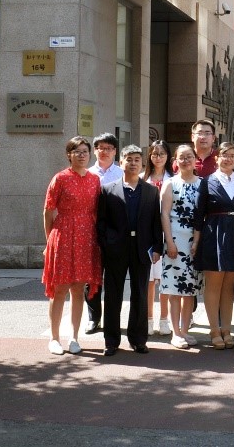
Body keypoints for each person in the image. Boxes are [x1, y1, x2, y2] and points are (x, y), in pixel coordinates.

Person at [96, 144, 162, 356]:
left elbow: (156, 222)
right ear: (121, 162)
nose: (133, 163)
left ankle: (138, 339)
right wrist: (106, 244)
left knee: (140, 294)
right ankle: (111, 341)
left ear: (142, 163)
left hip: (142, 248)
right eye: (129, 159)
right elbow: (101, 222)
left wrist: (157, 248)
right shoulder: (108, 189)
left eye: (137, 160)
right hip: (115, 249)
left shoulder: (151, 191)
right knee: (113, 294)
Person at [42, 136, 103, 356]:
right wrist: (50, 241)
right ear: (69, 154)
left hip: (87, 236)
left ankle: (74, 337)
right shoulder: (60, 178)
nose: (82, 155)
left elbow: (96, 211)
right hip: (63, 234)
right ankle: (54, 338)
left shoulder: (95, 180)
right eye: (77, 151)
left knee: (78, 289)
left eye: (85, 151)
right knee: (60, 288)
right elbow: (48, 211)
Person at [195, 142, 234, 350]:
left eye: (233, 155)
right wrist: (196, 241)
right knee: (214, 284)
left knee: (228, 286)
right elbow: (199, 214)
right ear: (217, 158)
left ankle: (226, 329)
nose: (229, 159)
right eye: (224, 155)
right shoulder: (207, 182)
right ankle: (214, 330)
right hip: (213, 234)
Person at [160, 144, 204, 349]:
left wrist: (197, 241)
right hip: (175, 241)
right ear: (175, 161)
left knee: (190, 290)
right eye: (181, 157)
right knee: (175, 289)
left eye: (189, 157)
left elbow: (203, 216)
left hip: (196, 241)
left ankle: (185, 330)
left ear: (196, 160)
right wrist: (169, 242)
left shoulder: (203, 184)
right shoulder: (170, 183)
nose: (186, 161)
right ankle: (175, 332)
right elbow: (164, 215)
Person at [84, 132, 122, 334]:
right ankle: (93, 318)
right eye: (100, 148)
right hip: (90, 231)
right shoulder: (87, 174)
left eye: (109, 148)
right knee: (91, 277)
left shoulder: (122, 174)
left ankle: (111, 319)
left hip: (115, 232)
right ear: (95, 150)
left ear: (115, 151)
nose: (104, 152)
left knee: (114, 278)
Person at [144, 140, 172, 335]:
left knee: (165, 278)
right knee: (149, 280)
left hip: (168, 233)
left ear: (168, 156)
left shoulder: (174, 179)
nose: (158, 157)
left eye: (162, 154)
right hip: (147, 235)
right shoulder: (142, 178)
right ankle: (148, 319)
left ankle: (164, 319)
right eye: (155, 154)